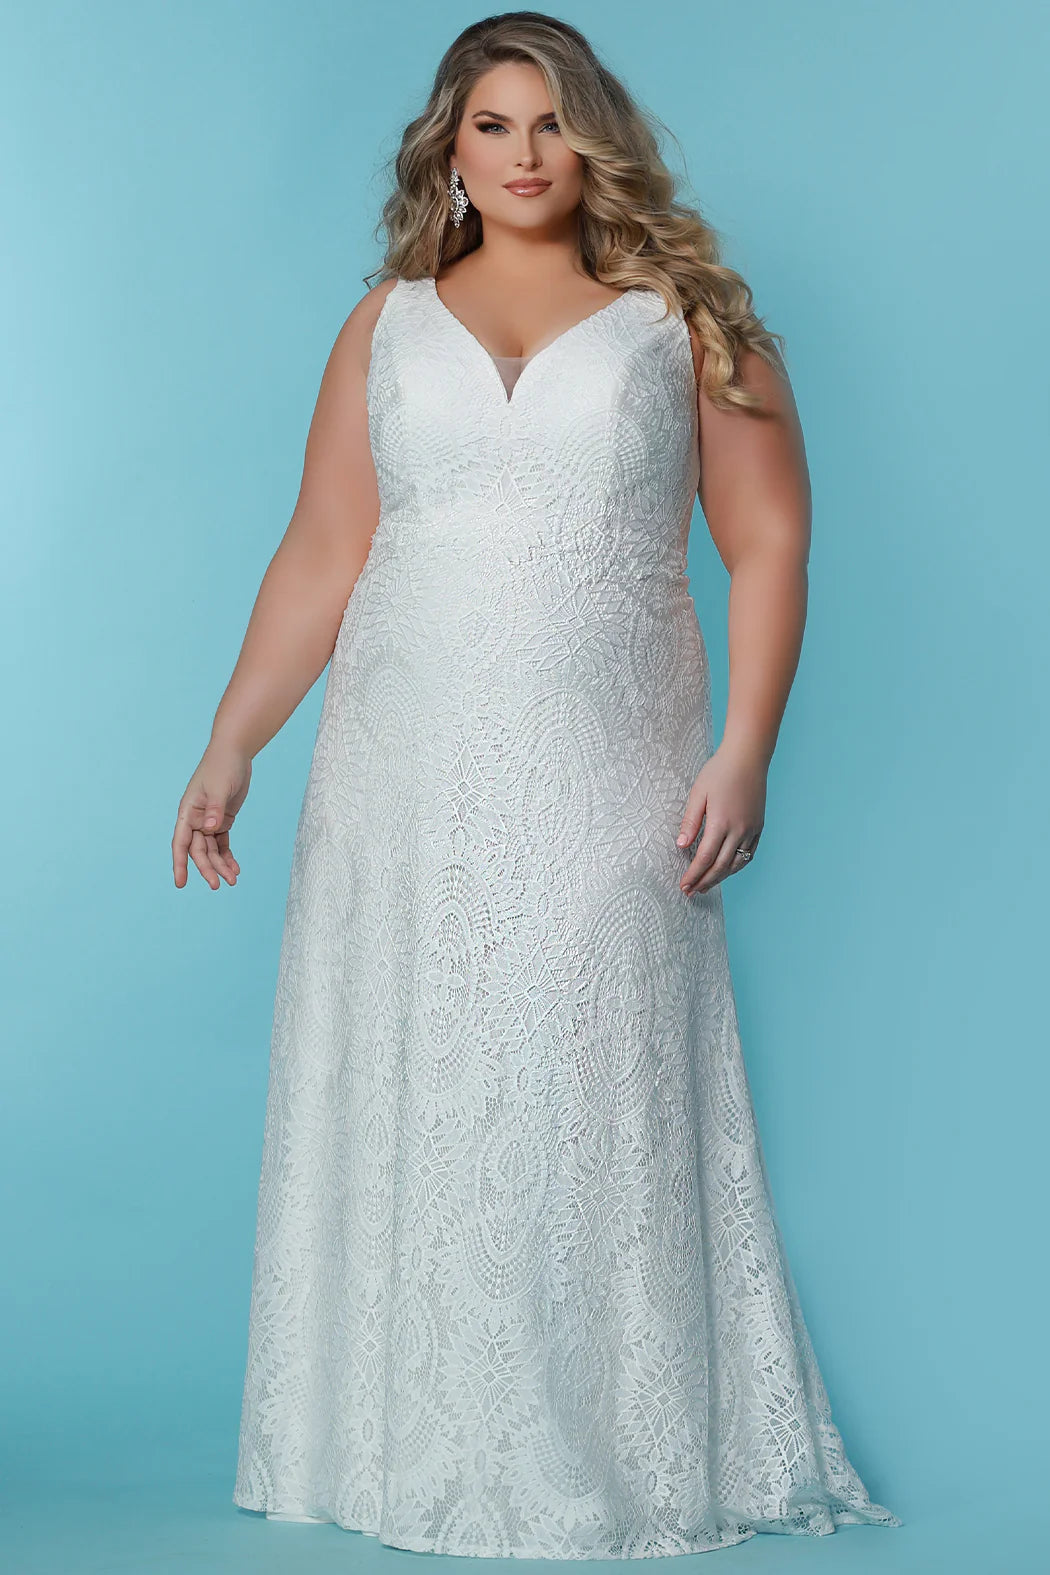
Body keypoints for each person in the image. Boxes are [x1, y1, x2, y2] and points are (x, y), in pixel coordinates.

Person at [171, 11, 901, 1559]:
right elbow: (323, 549)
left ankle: (599, 1457)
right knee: (430, 1089)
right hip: (397, 773)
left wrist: (746, 747)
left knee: (582, 1086)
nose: (522, 154)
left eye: (551, 123)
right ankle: (409, 1455)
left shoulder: (678, 319)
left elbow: (769, 539)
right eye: (492, 125)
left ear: (595, 141)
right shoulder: (385, 326)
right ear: (448, 148)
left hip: (605, 764)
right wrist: (233, 741)